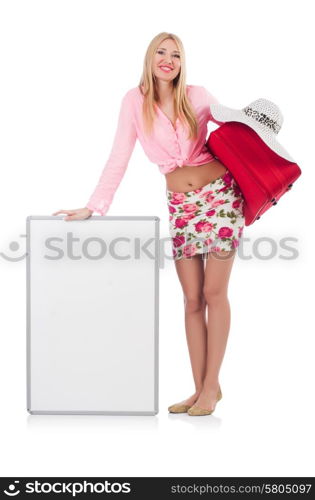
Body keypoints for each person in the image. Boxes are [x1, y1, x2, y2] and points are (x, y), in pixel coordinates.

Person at [52, 32, 245, 417]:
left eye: (176, 54)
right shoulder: (133, 101)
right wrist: (94, 206)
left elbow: (235, 129)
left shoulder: (199, 95)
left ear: (182, 62)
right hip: (180, 205)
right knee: (191, 298)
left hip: (221, 197)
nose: (168, 59)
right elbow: (119, 155)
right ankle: (200, 388)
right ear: (150, 56)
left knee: (213, 293)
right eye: (162, 51)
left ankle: (211, 388)